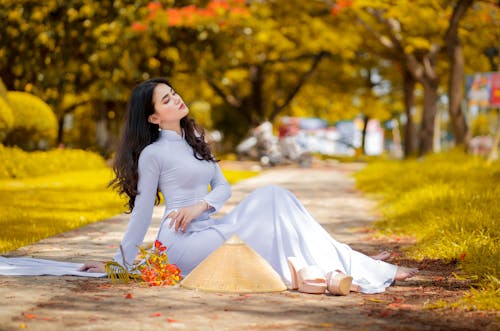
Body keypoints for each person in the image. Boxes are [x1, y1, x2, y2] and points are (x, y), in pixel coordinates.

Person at [79, 78, 418, 294]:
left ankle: (347, 261)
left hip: (209, 225)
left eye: (174, 93)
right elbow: (141, 212)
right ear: (153, 117)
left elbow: (223, 188)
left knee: (275, 196)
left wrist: (201, 206)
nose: (176, 99)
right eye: (165, 100)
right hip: (181, 243)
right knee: (270, 208)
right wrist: (118, 262)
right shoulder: (153, 153)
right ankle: (352, 264)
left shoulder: (195, 139)